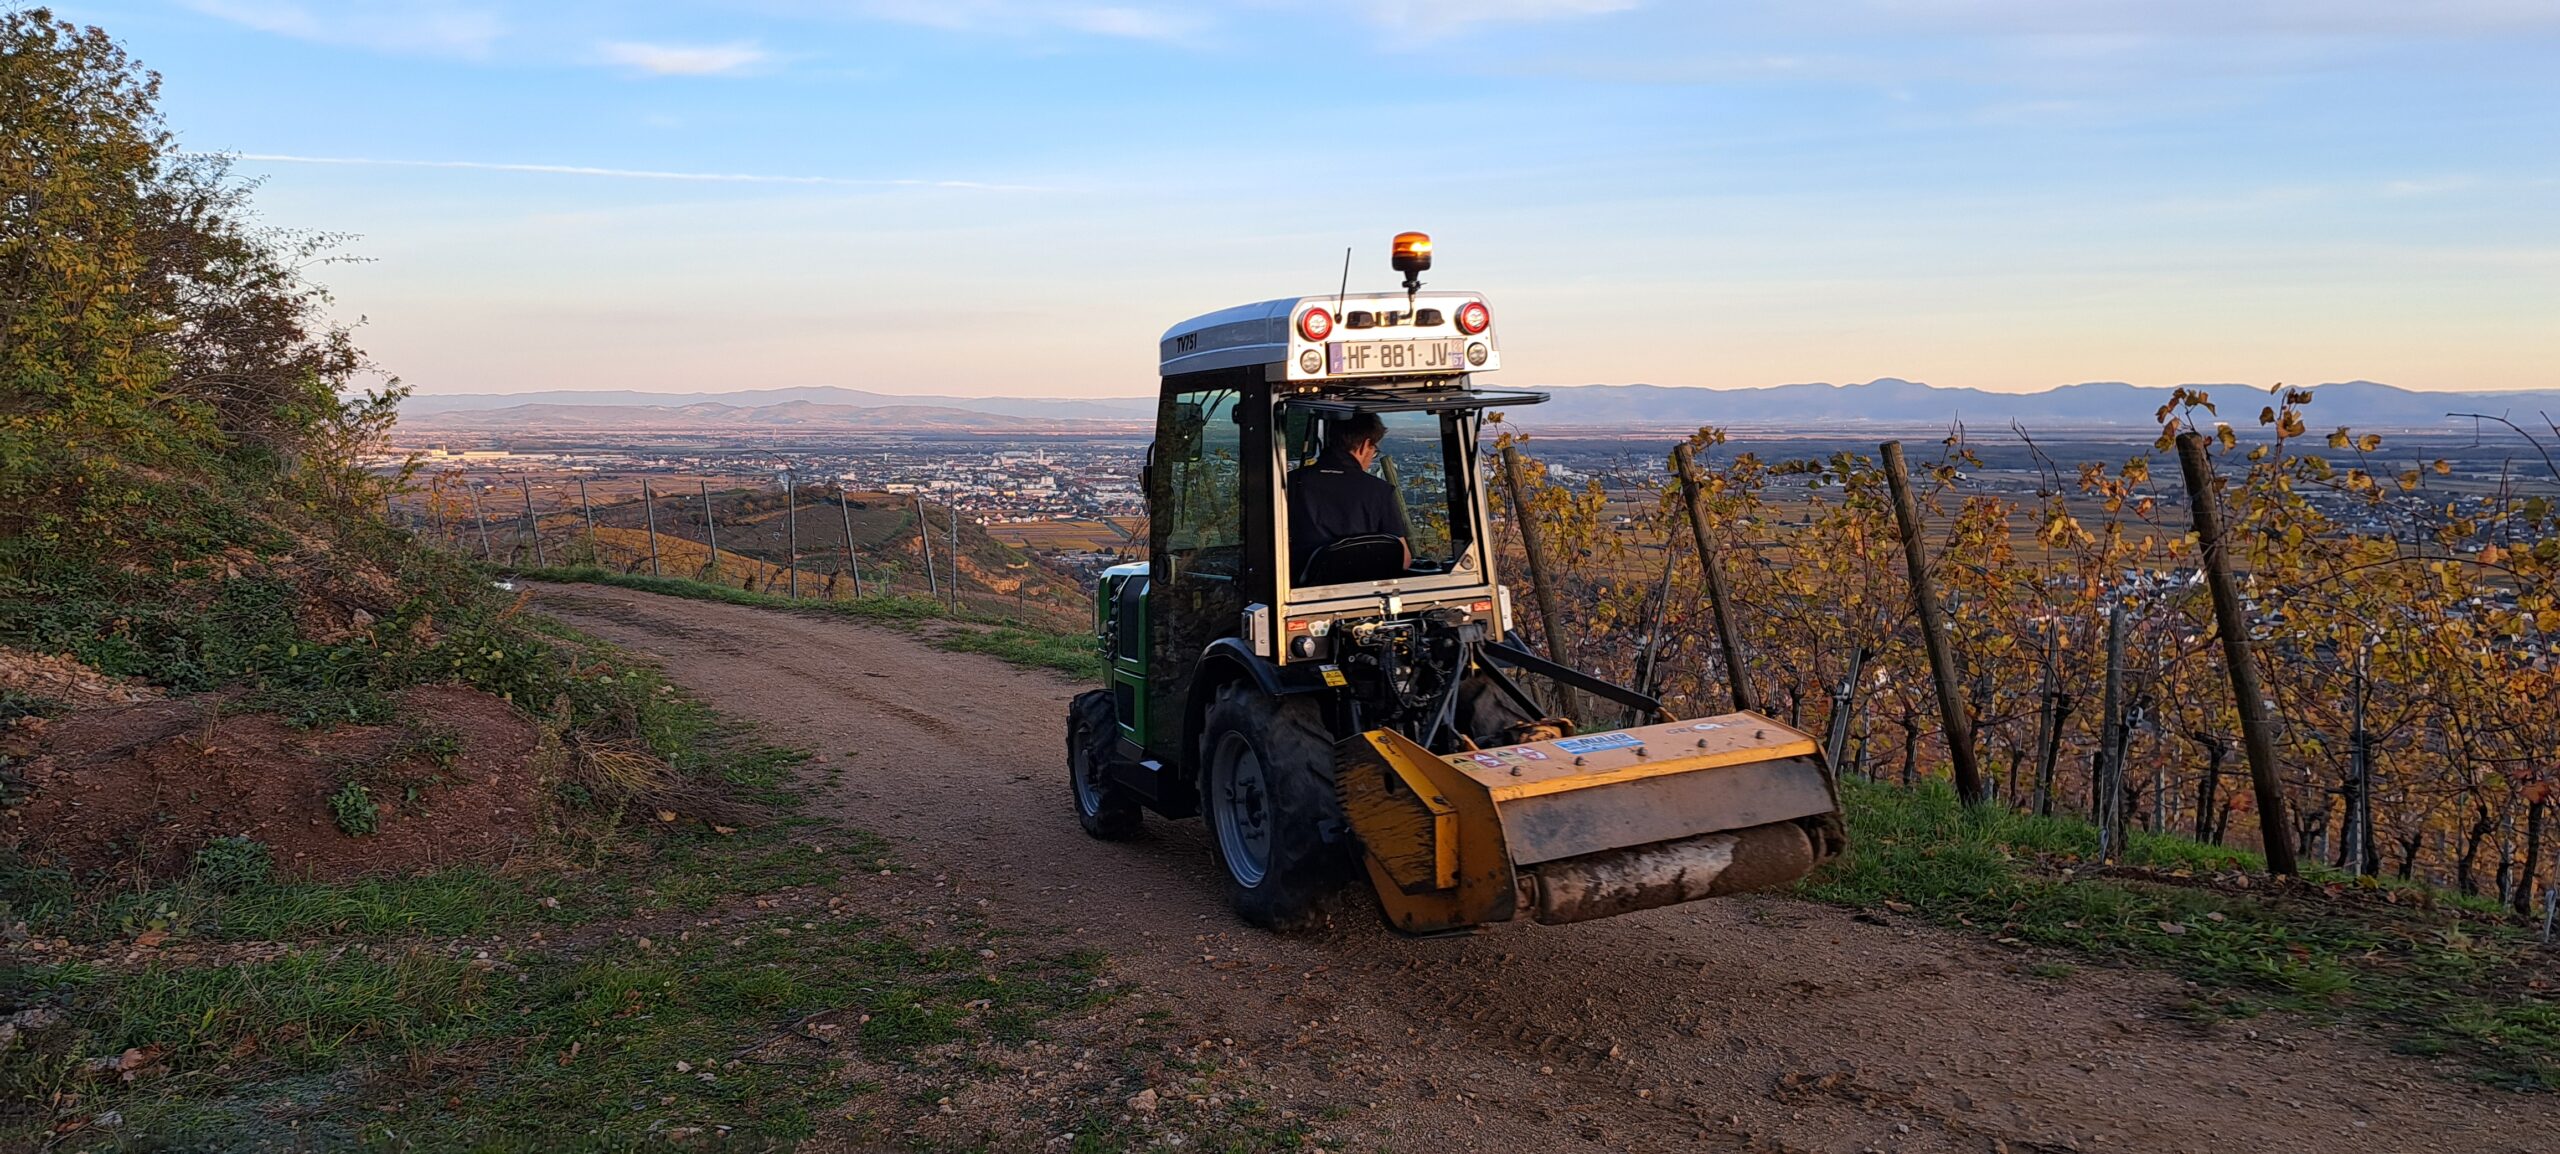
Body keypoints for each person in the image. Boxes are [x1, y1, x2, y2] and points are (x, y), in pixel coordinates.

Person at [1287, 412, 1409, 581]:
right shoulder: (1379, 491)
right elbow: (1403, 560)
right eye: (1374, 450)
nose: (1372, 458)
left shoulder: (1291, 483)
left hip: (1299, 589)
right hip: (1359, 591)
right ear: (1365, 445)